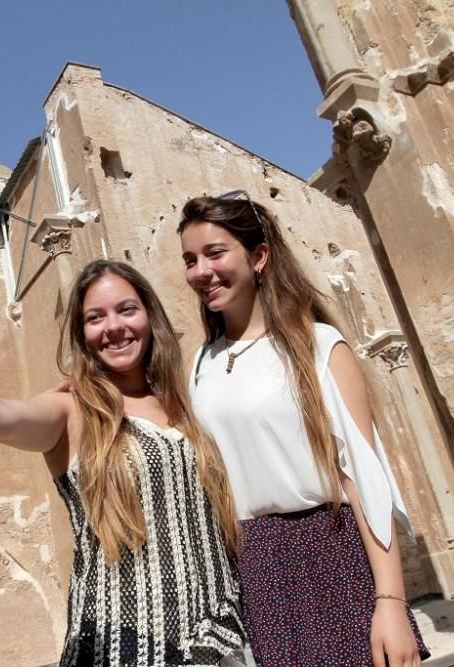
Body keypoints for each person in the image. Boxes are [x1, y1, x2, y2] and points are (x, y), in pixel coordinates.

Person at [0, 259, 247, 667]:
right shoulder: (74, 410)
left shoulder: (188, 406)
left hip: (216, 639)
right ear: (83, 336)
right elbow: (0, 417)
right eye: (94, 318)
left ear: (150, 317)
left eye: (127, 309)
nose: (113, 326)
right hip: (123, 645)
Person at [177, 194, 430, 667]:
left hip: (332, 552)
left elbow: (363, 478)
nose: (200, 271)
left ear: (259, 256)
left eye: (215, 252)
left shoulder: (319, 345)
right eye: (190, 260)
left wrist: (391, 604)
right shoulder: (200, 364)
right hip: (257, 569)